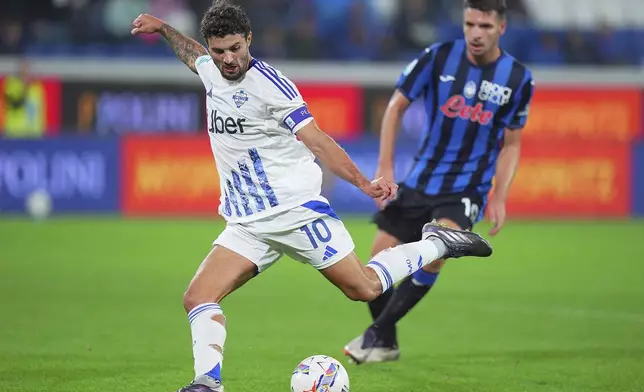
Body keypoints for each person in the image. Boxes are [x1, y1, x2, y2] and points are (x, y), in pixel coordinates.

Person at [131, 1, 493, 391]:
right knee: (197, 296)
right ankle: (208, 382)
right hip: (247, 224)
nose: (228, 59)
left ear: (249, 39)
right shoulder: (212, 70)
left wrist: (364, 183)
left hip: (295, 212)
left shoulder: (270, 85)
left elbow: (318, 141)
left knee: (365, 288)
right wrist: (165, 28)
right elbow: (194, 56)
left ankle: (437, 243)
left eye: (236, 48)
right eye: (220, 51)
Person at [343, 0, 535, 365]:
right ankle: (386, 343)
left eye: (485, 27)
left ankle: (375, 333)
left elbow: (511, 143)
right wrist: (385, 166)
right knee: (375, 264)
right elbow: (396, 106)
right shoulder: (438, 56)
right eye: (470, 24)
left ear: (502, 28)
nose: (476, 34)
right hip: (421, 182)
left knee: (436, 251)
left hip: (467, 188)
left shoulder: (517, 78)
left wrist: (501, 194)